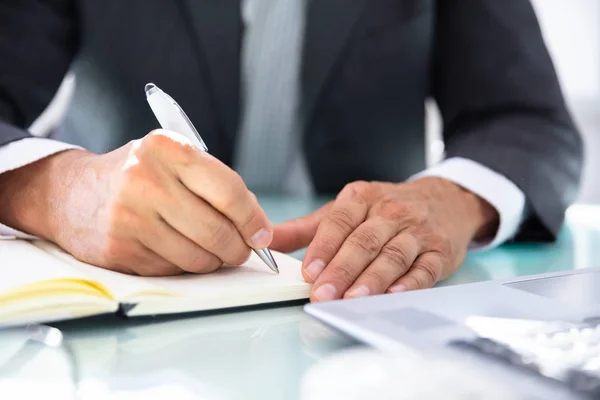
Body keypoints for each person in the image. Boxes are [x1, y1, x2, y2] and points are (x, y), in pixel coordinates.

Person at [0, 1, 582, 302]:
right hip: (117, 317)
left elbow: (529, 120)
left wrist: (452, 202)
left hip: (356, 311)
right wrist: (58, 191)